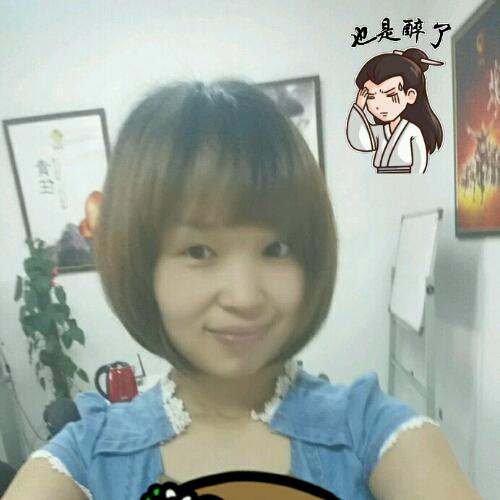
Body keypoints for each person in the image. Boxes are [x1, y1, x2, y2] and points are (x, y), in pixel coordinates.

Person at [4, 80, 480, 499]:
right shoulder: (89, 457)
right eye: (199, 251)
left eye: (276, 248)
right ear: (141, 266)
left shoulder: (368, 430)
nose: (245, 297)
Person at [346, 48, 443, 174]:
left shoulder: (413, 131)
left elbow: (419, 165)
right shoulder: (380, 132)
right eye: (371, 97)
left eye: (390, 94)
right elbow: (360, 141)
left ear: (410, 95)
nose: (379, 105)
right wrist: (359, 106)